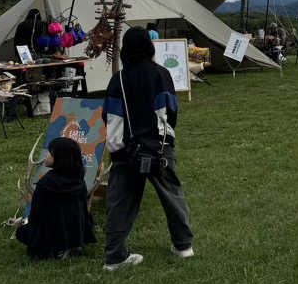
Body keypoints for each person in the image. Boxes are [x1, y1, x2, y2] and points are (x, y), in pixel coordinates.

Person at [102, 26, 193, 271]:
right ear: (149, 47)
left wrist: (116, 147)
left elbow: (110, 116)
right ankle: (183, 245)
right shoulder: (161, 74)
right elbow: (170, 110)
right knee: (172, 197)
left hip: (124, 150)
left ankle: (115, 256)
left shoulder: (117, 79)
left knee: (120, 203)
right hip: (158, 148)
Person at [16, 136, 96, 260]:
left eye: (49, 152)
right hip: (76, 233)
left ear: (59, 157)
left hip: (52, 233)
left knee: (22, 232)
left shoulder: (46, 183)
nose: (45, 155)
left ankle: (56, 249)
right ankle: (71, 246)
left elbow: (36, 215)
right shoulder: (79, 180)